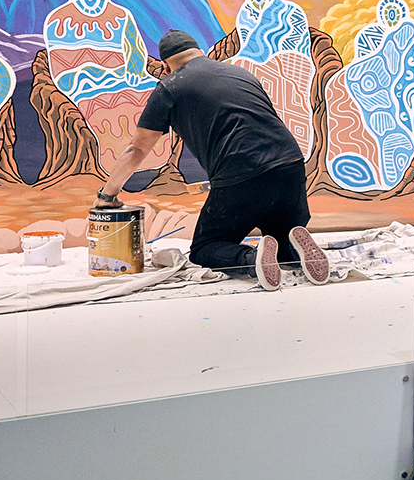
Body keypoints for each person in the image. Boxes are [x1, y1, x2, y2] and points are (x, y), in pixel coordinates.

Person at [98, 29, 331, 289]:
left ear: (166, 66)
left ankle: (251, 259)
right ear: (199, 51)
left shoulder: (170, 86)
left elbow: (137, 150)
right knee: (279, 239)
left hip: (242, 173)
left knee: (205, 249)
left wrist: (107, 195)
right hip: (290, 165)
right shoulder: (240, 74)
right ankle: (293, 248)